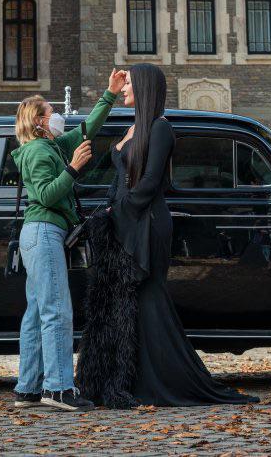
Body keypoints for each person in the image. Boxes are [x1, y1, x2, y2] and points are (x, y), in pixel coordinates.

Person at [80, 63, 258, 407]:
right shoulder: (133, 127)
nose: (124, 88)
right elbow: (120, 178)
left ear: (145, 87)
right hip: (123, 220)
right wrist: (107, 213)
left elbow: (149, 183)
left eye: (129, 83)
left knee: (149, 298)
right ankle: (126, 378)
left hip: (146, 221)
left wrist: (119, 209)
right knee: (126, 304)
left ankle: (162, 380)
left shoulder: (160, 128)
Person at [9, 70, 124, 412]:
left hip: (41, 233)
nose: (57, 115)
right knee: (56, 311)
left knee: (36, 313)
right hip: (44, 231)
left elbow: (87, 129)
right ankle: (58, 388)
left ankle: (28, 388)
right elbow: (46, 194)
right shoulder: (38, 151)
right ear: (39, 122)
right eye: (51, 111)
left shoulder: (49, 146)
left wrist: (109, 94)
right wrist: (72, 169)